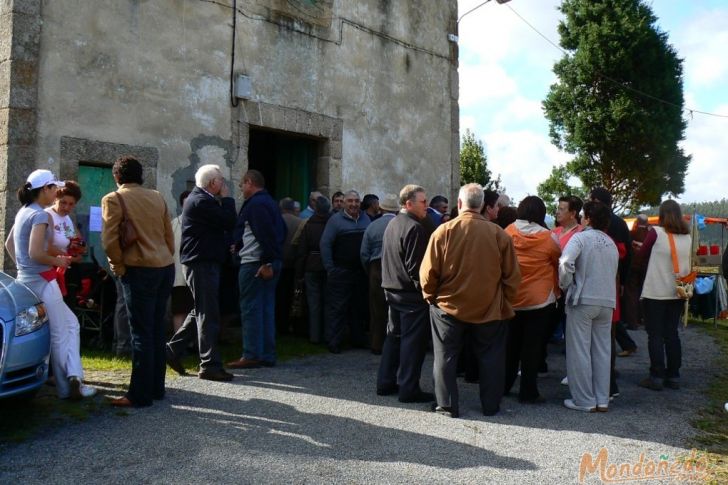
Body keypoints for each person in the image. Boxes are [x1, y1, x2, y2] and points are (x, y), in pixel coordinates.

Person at [420, 183, 521, 418]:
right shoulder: (499, 234)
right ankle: (491, 405)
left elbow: (428, 273)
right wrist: (504, 300)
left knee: (445, 356)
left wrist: (430, 296)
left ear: (458, 204)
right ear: (483, 205)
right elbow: (513, 276)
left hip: (448, 306)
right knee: (491, 357)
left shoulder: (444, 231)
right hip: (489, 307)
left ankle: (446, 405)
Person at [5, 170, 95, 401]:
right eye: (54, 188)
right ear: (44, 189)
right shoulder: (41, 215)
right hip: (44, 280)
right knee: (60, 332)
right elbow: (36, 252)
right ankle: (68, 387)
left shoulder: (24, 212)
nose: (56, 192)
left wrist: (22, 267)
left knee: (70, 325)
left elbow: (9, 244)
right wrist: (59, 260)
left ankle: (74, 378)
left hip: (26, 281)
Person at [101, 156, 175, 407]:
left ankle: (139, 395)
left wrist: (118, 266)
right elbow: (168, 236)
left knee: (141, 333)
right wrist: (165, 257)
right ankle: (156, 388)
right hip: (164, 267)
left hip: (138, 269)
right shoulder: (157, 196)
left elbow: (110, 241)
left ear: (117, 176)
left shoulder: (113, 199)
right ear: (140, 175)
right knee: (155, 329)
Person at [166, 165, 236, 381]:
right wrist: (227, 199)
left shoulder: (201, 199)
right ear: (212, 183)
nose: (223, 184)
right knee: (208, 314)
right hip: (201, 263)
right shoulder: (202, 201)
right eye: (221, 180)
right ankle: (209, 364)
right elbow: (229, 220)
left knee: (201, 310)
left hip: (202, 262)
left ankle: (171, 350)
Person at [558, 201, 618, 412]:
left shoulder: (580, 238)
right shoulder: (610, 242)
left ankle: (584, 400)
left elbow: (565, 262)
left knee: (579, 350)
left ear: (589, 218)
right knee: (602, 350)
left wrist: (566, 285)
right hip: (607, 300)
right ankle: (602, 398)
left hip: (582, 299)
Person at [376, 185, 433, 403]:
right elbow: (416, 269)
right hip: (409, 295)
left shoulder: (392, 223)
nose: (426, 206)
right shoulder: (414, 228)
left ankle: (385, 382)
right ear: (409, 203)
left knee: (394, 338)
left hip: (392, 290)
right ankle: (409, 388)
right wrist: (427, 293)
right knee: (412, 343)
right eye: (423, 202)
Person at [503, 196, 560, 404]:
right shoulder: (548, 237)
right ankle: (528, 391)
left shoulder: (507, 232)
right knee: (532, 348)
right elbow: (557, 259)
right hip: (539, 298)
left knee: (511, 345)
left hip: (513, 296)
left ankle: (504, 384)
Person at [227, 170, 286, 369]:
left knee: (251, 309)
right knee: (266, 309)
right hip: (264, 261)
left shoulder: (256, 204)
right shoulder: (270, 203)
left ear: (250, 182)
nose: (242, 189)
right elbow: (281, 231)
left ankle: (252, 353)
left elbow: (265, 234)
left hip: (255, 263)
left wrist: (266, 262)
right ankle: (266, 354)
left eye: (242, 185)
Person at [637, 200, 692, 391]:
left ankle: (656, 375)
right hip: (677, 292)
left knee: (655, 335)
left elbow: (642, 253)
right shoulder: (687, 237)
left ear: (661, 215)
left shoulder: (656, 233)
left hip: (655, 291)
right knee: (672, 334)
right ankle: (674, 375)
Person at [590, 187, 634, 399]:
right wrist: (623, 282)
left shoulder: (596, 228)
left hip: (599, 284)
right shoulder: (620, 223)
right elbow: (628, 255)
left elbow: (626, 254)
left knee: (599, 337)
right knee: (607, 335)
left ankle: (604, 383)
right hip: (613, 285)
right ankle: (607, 382)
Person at [320, 190, 371, 353]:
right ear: (344, 203)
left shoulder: (366, 219)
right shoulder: (335, 221)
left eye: (356, 201)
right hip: (341, 271)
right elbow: (325, 244)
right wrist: (330, 268)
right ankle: (334, 342)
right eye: (350, 201)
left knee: (359, 307)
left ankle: (358, 339)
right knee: (337, 308)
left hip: (360, 272)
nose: (354, 204)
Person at [360, 194, 399, 354]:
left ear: (381, 208)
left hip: (376, 267)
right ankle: (395, 344)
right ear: (396, 210)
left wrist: (369, 270)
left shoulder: (372, 226)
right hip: (396, 267)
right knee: (395, 308)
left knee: (377, 308)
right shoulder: (400, 225)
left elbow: (364, 252)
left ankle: (377, 344)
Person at [295, 196, 331, 343]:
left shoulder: (309, 225)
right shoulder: (331, 223)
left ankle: (314, 336)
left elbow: (302, 251)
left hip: (311, 266)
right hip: (327, 265)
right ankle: (327, 335)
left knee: (314, 302)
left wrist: (299, 273)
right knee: (328, 302)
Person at [46, 181, 86, 303]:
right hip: (51, 271)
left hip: (65, 271)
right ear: (55, 198)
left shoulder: (66, 218)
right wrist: (71, 258)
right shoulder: (47, 215)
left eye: (71, 204)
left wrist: (79, 247)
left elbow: (72, 238)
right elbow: (45, 247)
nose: (67, 207)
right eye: (63, 202)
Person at [277, 197, 303, 335]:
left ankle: (278, 325)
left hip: (279, 263)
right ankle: (288, 324)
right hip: (293, 264)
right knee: (290, 296)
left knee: (278, 295)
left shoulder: (276, 221)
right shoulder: (299, 222)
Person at [170, 190, 192, 333]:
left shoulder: (202, 223)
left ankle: (191, 343)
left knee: (195, 311)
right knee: (179, 310)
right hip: (178, 276)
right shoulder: (174, 224)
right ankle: (178, 343)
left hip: (195, 275)